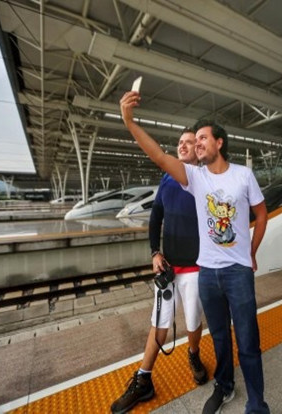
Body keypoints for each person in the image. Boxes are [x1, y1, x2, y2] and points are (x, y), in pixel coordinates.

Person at [120, 90, 270, 414]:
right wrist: (129, 122)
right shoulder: (195, 177)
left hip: (238, 273)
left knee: (248, 343)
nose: (196, 143)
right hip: (208, 274)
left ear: (219, 143)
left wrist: (252, 252)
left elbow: (261, 214)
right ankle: (225, 386)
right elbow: (159, 156)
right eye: (195, 139)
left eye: (202, 138)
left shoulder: (244, 176)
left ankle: (257, 404)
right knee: (219, 339)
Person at [110, 128, 208, 414]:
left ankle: (193, 355)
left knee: (192, 321)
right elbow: (155, 218)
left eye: (189, 142)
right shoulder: (166, 180)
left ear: (198, 150)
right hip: (168, 268)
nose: (183, 146)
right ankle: (144, 379)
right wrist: (155, 252)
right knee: (159, 324)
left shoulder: (201, 180)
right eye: (180, 142)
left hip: (194, 267)